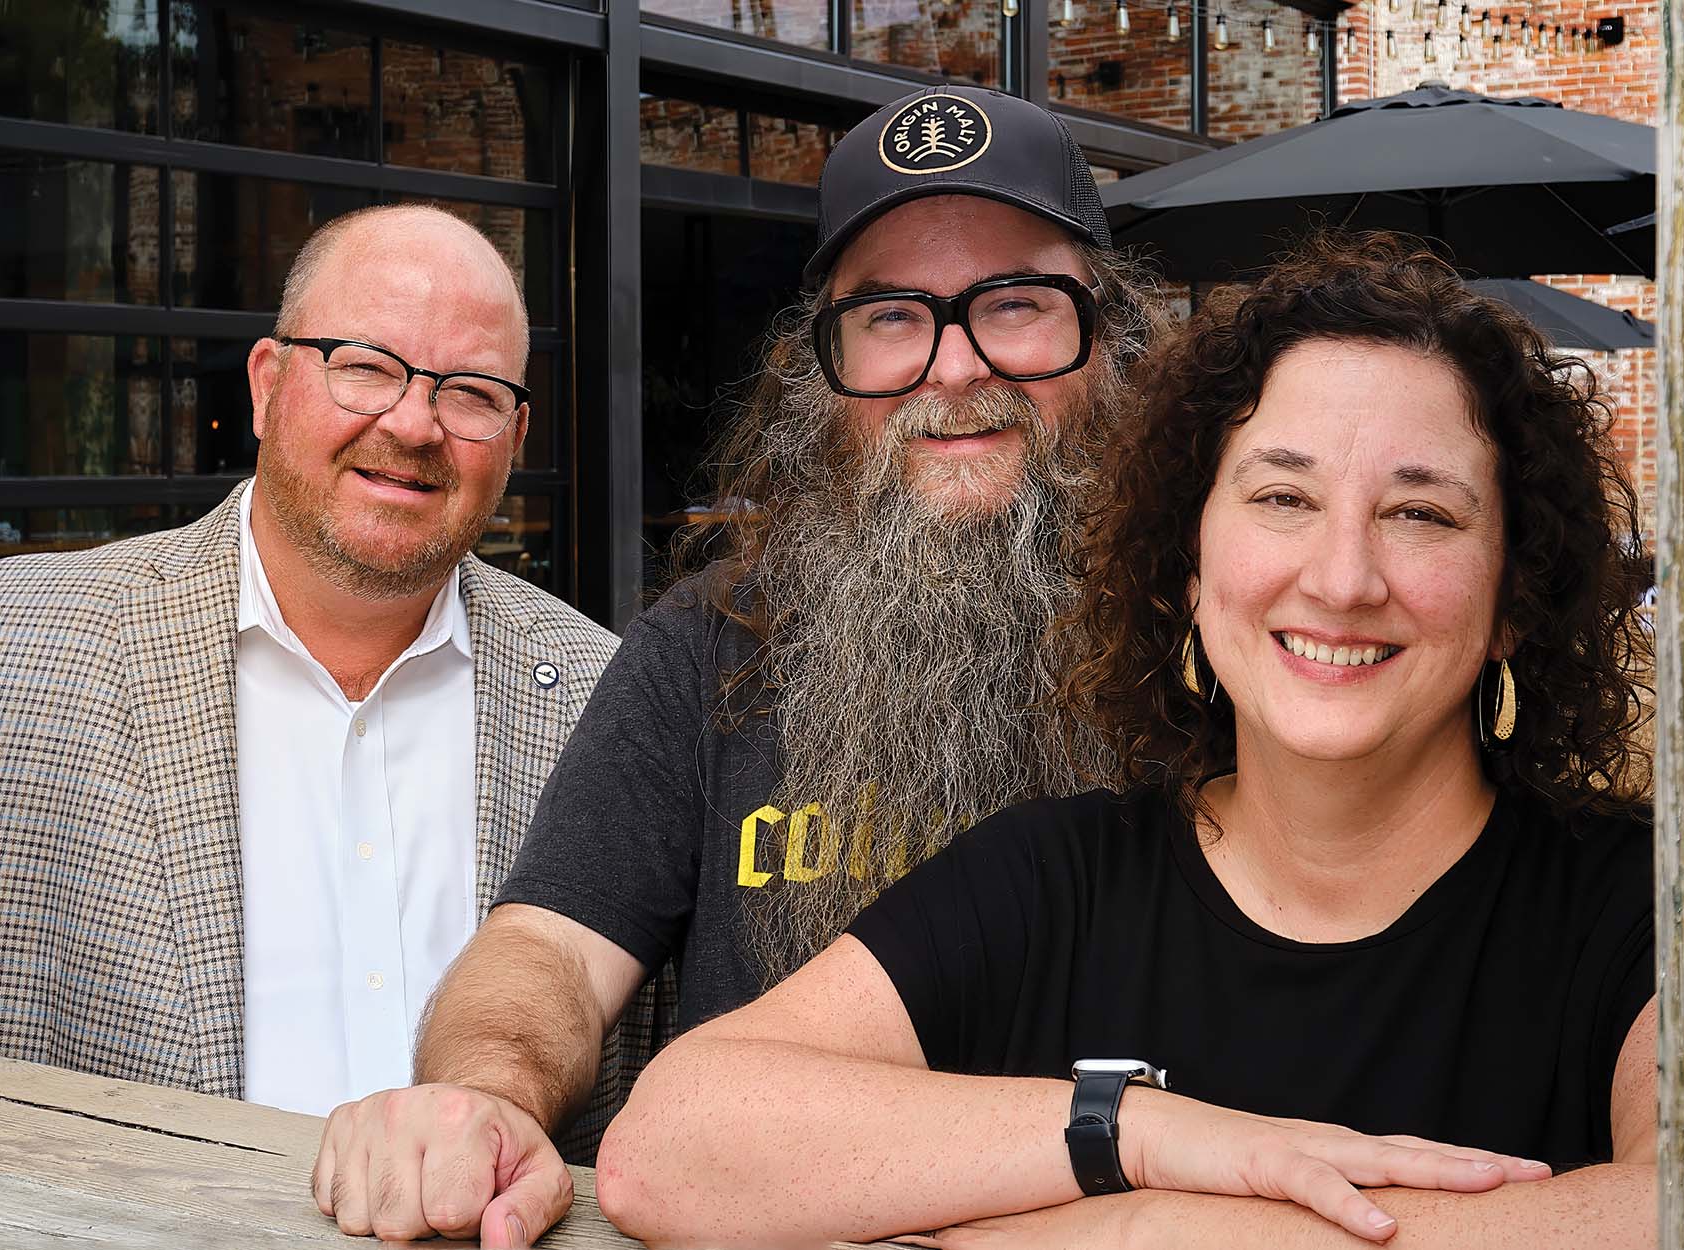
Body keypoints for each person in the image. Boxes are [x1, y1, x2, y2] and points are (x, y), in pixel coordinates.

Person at [595, 232, 1656, 1248]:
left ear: (1513, 594)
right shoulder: (1052, 877)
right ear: (1189, 568)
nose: (1341, 578)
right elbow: (670, 1147)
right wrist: (1137, 1135)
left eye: (1418, 513)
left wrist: (1173, 1230)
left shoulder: (1644, 908)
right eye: (1281, 496)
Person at [310, 84, 1188, 1245]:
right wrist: (486, 1095)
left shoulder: (1217, 642)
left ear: (1108, 336)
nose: (953, 366)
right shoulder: (716, 639)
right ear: (822, 369)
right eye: (888, 316)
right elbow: (548, 946)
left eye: (1014, 303)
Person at [0, 204, 617, 1121]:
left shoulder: (607, 696)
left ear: (516, 439)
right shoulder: (4, 645)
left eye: (472, 390)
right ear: (268, 385)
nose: (413, 424)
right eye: (363, 367)